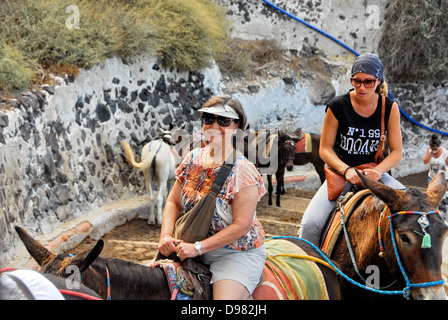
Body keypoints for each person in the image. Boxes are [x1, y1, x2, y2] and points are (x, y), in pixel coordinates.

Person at [158, 94, 266, 300]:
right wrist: (165, 236)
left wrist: (197, 248)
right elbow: (173, 202)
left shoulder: (243, 170)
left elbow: (241, 226)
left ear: (237, 126)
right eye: (209, 118)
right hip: (187, 246)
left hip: (233, 254)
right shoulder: (191, 158)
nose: (214, 125)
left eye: (223, 121)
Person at [298, 53, 405, 246]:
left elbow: (397, 152)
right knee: (309, 224)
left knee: (413, 210)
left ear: (378, 81)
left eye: (368, 82)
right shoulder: (338, 106)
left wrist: (378, 171)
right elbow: (325, 149)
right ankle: (312, 270)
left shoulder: (389, 108)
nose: (362, 87)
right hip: (340, 174)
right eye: (357, 81)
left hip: (374, 173)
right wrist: (346, 170)